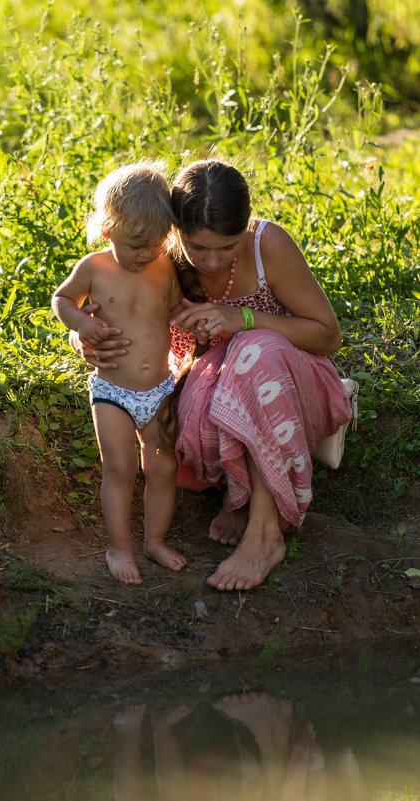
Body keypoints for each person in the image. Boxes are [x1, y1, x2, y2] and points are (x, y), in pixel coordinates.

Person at [71, 158, 352, 592]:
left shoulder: (266, 246)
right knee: (187, 407)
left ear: (245, 228)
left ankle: (265, 531)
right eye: (198, 247)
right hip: (217, 382)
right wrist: (88, 340)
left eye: (227, 246)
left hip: (287, 379)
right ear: (176, 230)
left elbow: (327, 336)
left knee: (252, 352)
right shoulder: (157, 256)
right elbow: (108, 309)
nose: (212, 259)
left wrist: (242, 318)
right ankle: (238, 496)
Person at [52, 161, 188, 585]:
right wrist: (81, 325)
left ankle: (155, 541)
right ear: (107, 230)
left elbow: (176, 309)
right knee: (121, 469)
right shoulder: (95, 267)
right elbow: (62, 299)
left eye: (154, 244)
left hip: (160, 387)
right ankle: (119, 548)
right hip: (113, 390)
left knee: (163, 468)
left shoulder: (165, 267)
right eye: (134, 245)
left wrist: (193, 317)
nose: (144, 254)